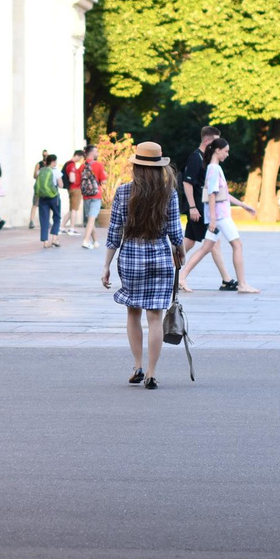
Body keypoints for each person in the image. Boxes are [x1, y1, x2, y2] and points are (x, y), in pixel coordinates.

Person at [100, 141, 184, 388]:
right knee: (155, 317)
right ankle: (151, 372)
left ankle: (137, 365)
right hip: (160, 257)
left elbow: (114, 232)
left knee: (133, 312)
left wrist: (106, 265)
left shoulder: (124, 192)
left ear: (136, 166)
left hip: (131, 259)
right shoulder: (169, 193)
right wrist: (180, 253)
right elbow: (176, 232)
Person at [180, 132, 259, 293]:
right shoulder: (214, 169)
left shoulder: (213, 168)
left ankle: (182, 277)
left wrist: (243, 205)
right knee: (237, 245)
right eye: (226, 151)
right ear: (217, 150)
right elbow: (212, 195)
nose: (227, 154)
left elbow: (223, 194)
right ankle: (242, 284)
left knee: (205, 248)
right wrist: (214, 219)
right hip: (221, 216)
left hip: (218, 216)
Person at [78, 145, 106, 245]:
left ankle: (95, 241)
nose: (97, 153)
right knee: (92, 218)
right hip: (96, 195)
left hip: (86, 196)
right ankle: (85, 240)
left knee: (90, 219)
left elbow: (78, 182)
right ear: (92, 153)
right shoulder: (98, 165)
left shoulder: (82, 166)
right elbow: (104, 181)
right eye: (96, 151)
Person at [33, 151, 62, 245]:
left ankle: (45, 241)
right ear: (53, 162)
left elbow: (36, 178)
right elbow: (61, 185)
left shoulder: (41, 170)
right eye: (55, 161)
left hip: (42, 197)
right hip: (54, 197)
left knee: (44, 218)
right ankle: (54, 238)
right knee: (57, 217)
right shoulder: (56, 171)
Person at [61, 151, 83, 235]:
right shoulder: (71, 164)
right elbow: (72, 179)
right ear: (77, 155)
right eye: (80, 158)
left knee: (71, 209)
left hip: (71, 189)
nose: (80, 160)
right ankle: (71, 228)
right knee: (74, 209)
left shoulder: (68, 163)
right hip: (75, 188)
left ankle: (62, 226)